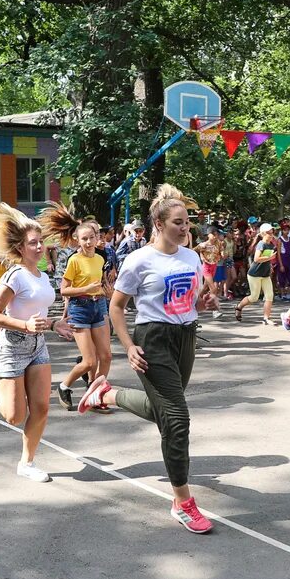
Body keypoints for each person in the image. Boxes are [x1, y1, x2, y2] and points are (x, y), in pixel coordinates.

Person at [77, 184, 219, 533]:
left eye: (187, 222)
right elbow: (117, 306)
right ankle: (183, 502)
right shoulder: (139, 260)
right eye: (178, 222)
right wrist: (127, 345)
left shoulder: (191, 257)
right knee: (177, 419)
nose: (185, 228)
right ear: (158, 223)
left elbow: (189, 301)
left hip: (185, 337)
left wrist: (205, 300)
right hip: (152, 338)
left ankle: (106, 394)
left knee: (164, 409)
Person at [0, 198, 74, 482]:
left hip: (38, 345)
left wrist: (54, 323)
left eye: (40, 241)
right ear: (20, 248)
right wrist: (24, 324)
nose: (39, 247)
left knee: (41, 408)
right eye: (33, 243)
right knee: (14, 417)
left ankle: (27, 463)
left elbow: (39, 314)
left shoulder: (42, 276)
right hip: (12, 346)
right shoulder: (14, 275)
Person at [38, 204, 112, 410]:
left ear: (97, 238)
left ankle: (95, 393)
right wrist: (86, 288)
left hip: (99, 307)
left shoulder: (100, 258)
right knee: (89, 362)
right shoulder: (74, 260)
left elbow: (103, 282)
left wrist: (108, 291)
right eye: (84, 239)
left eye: (92, 238)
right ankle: (64, 386)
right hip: (80, 309)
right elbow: (64, 291)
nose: (89, 242)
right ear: (77, 241)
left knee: (105, 356)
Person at [235, 223, 277, 325]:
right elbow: (257, 259)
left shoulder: (271, 244)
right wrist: (270, 258)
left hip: (265, 274)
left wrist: (270, 265)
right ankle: (239, 307)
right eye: (268, 232)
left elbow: (266, 258)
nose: (271, 234)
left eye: (272, 232)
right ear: (263, 233)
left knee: (269, 295)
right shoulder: (261, 244)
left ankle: (266, 318)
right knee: (254, 297)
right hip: (255, 274)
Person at [194, 227, 225, 318]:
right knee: (213, 288)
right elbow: (193, 251)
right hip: (206, 267)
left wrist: (223, 254)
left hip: (214, 266)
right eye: (213, 235)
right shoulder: (204, 245)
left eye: (216, 235)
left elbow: (222, 252)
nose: (215, 237)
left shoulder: (219, 243)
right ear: (208, 235)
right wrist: (200, 252)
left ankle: (193, 303)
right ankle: (215, 310)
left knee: (204, 288)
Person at [276, 220, 290, 301]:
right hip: (282, 259)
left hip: (289, 260)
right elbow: (279, 253)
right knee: (282, 278)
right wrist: (281, 265)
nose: (286, 231)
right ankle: (283, 294)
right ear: (282, 231)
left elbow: (289, 249)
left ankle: (288, 293)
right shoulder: (280, 240)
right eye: (285, 230)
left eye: (288, 230)